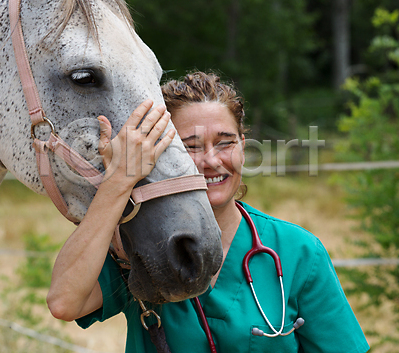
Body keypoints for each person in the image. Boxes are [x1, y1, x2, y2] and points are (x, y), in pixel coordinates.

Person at [47, 72, 370, 353]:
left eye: (226, 142)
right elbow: (64, 302)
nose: (212, 161)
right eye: (190, 146)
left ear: (243, 147)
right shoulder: (134, 245)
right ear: (160, 152)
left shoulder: (297, 252)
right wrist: (117, 182)